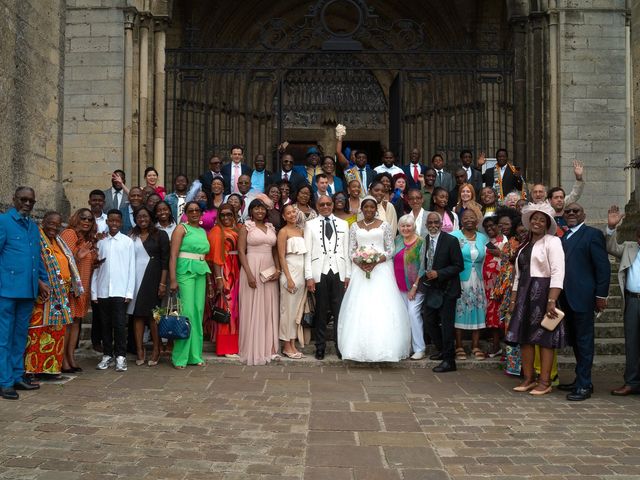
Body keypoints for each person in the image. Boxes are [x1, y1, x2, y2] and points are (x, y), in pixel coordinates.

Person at [338, 196, 410, 361]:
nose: (369, 210)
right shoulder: (355, 226)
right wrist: (360, 262)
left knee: (381, 305)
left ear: (375, 209)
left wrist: (376, 260)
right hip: (360, 270)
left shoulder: (384, 226)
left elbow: (390, 248)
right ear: (362, 210)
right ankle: (355, 349)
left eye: (372, 207)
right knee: (360, 306)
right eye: (366, 207)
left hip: (381, 269)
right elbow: (351, 250)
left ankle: (386, 348)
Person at [506, 202, 565, 395]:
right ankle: (529, 378)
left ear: (547, 224)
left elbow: (558, 272)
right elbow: (518, 275)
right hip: (524, 294)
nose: (537, 222)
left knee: (545, 338)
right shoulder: (524, 246)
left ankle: (545, 381)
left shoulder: (553, 242)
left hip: (543, 293)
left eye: (542, 220)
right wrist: (513, 301)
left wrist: (552, 300)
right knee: (524, 337)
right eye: (535, 219)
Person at [0, 187, 50, 400]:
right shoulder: (4, 221)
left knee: (20, 336)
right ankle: (4, 381)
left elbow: (36, 258)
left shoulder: (32, 226)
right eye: (23, 200)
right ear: (14, 199)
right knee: (4, 338)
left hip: (28, 290)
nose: (27, 204)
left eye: (31, 201)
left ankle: (17, 375)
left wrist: (43, 282)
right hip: (7, 289)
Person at [557, 203, 610, 401]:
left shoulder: (592, 234)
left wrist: (601, 296)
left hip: (584, 298)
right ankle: (580, 379)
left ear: (584, 214)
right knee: (577, 342)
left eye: (575, 211)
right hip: (566, 298)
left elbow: (602, 268)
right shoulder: (563, 237)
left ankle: (585, 385)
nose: (571, 213)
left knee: (585, 342)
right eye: (568, 211)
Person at [25, 212, 82, 379]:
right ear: (43, 222)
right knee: (38, 331)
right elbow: (32, 262)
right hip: (44, 294)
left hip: (61, 294)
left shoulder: (58, 241)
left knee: (56, 331)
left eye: (57, 225)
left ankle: (49, 369)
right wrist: (40, 283)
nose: (53, 227)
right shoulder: (37, 239)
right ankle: (34, 369)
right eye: (50, 223)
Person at [304, 195, 351, 360]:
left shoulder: (344, 224)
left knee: (339, 311)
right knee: (321, 310)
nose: (325, 207)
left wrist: (348, 274)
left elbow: (347, 251)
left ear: (332, 205)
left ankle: (340, 345)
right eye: (322, 204)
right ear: (317, 206)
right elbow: (307, 253)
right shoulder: (310, 225)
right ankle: (320, 346)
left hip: (339, 270)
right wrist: (309, 276)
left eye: (328, 204)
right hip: (319, 272)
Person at [92, 209, 136, 373]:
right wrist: (94, 292)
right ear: (107, 222)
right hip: (103, 290)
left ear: (121, 222)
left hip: (120, 290)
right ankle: (107, 354)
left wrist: (129, 292)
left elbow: (131, 268)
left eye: (117, 221)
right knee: (105, 324)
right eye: (111, 220)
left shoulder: (127, 242)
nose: (114, 224)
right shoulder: (100, 242)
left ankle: (120, 356)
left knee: (118, 324)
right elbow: (95, 269)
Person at [238, 198, 280, 365]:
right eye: (256, 209)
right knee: (252, 307)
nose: (260, 212)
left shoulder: (271, 228)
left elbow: (275, 250)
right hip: (252, 267)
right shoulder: (246, 227)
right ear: (251, 211)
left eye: (262, 209)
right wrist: (249, 274)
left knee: (268, 307)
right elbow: (241, 251)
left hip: (269, 269)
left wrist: (278, 269)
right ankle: (253, 348)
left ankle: (268, 348)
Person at [169, 201, 211, 368]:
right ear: (185, 213)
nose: (194, 213)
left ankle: (195, 355)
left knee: (198, 311)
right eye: (190, 210)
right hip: (184, 271)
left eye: (197, 210)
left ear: (201, 213)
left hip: (200, 271)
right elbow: (173, 255)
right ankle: (180, 357)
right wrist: (172, 279)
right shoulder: (181, 228)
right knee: (186, 313)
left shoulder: (202, 231)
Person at [420, 212, 464, 373]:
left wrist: (439, 273)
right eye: (430, 223)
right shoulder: (424, 240)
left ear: (441, 224)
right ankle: (441, 350)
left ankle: (449, 361)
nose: (433, 225)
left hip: (448, 289)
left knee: (446, 325)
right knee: (429, 321)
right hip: (432, 289)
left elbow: (458, 266)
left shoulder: (451, 240)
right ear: (426, 225)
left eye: (436, 222)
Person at [127, 207, 169, 367]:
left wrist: (163, 283)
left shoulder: (160, 234)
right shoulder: (131, 235)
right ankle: (140, 350)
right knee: (137, 315)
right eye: (139, 216)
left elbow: (165, 260)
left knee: (154, 316)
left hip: (154, 277)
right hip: (134, 279)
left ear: (151, 218)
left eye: (145, 216)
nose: (142, 219)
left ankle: (157, 350)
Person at [606, 205, 640, 396]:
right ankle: (632, 382)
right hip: (633, 302)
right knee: (632, 343)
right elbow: (610, 247)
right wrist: (611, 227)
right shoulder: (629, 247)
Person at [60, 209, 99, 372]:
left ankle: (71, 357)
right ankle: (62, 361)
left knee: (76, 322)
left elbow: (86, 262)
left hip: (82, 287)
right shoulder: (70, 234)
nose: (86, 221)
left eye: (90, 219)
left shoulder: (87, 238)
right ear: (76, 218)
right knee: (68, 323)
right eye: (83, 218)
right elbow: (64, 260)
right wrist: (78, 257)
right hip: (71, 287)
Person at [452, 209, 488, 360]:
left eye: (472, 217)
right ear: (461, 220)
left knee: (478, 309)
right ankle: (459, 346)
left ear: (477, 220)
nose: (469, 220)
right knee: (460, 310)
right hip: (460, 279)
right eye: (465, 217)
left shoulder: (483, 238)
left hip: (478, 281)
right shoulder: (454, 236)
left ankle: (475, 345)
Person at [206, 203, 240, 357]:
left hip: (237, 271)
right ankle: (225, 347)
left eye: (229, 214)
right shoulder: (216, 231)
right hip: (225, 272)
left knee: (235, 311)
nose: (226, 217)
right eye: (223, 215)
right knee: (227, 308)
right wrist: (219, 278)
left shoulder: (238, 228)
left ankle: (234, 345)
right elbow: (214, 258)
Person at [394, 214, 426, 360]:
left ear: (414, 226)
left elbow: (423, 267)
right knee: (402, 317)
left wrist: (414, 286)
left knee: (413, 314)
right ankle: (407, 348)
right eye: (403, 226)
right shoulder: (397, 240)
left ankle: (420, 348)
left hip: (415, 287)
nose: (406, 228)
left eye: (408, 226)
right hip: (398, 286)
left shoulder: (421, 242)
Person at [277, 204, 307, 359]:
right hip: (290, 272)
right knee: (287, 310)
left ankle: (293, 343)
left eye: (293, 212)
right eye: (288, 213)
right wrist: (288, 278)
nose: (292, 214)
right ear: (283, 216)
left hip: (301, 273)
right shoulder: (283, 232)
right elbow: (281, 256)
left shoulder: (302, 231)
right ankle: (286, 345)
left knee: (296, 311)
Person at [481, 215, 508, 357]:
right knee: (492, 316)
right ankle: (496, 346)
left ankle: (506, 349)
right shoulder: (488, 242)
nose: (490, 229)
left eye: (492, 226)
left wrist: (500, 253)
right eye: (487, 227)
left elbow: (511, 260)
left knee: (501, 316)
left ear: (499, 226)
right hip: (488, 285)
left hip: (500, 285)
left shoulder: (505, 241)